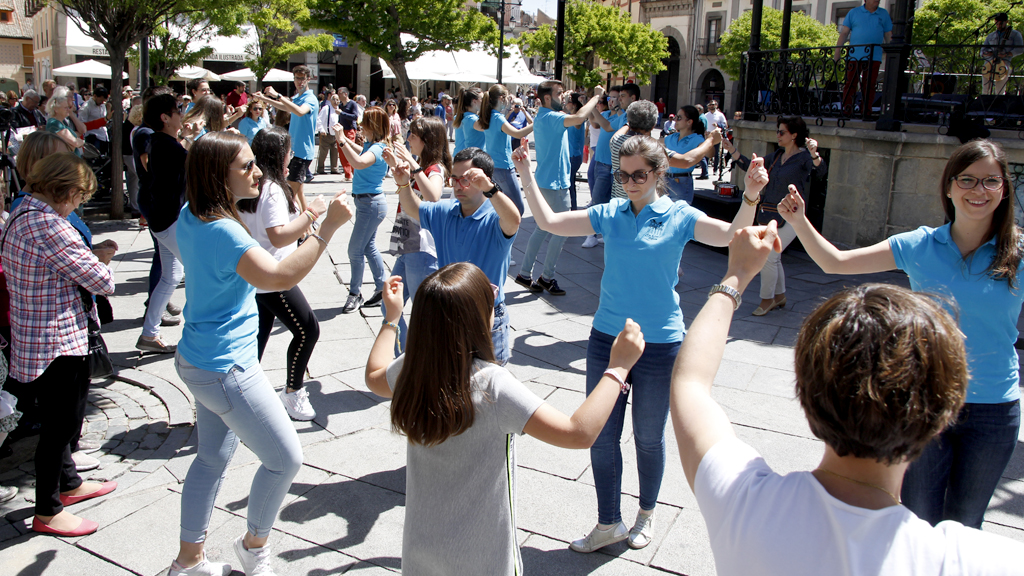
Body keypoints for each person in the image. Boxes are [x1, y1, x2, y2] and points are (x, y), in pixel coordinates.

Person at [668, 220, 1024, 573]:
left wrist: (737, 275)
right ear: (944, 414)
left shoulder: (743, 502)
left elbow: (690, 384)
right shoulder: (969, 561)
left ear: (804, 393)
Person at [511, 135, 767, 553]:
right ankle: (608, 522)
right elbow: (550, 224)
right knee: (601, 435)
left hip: (661, 343)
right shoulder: (611, 213)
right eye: (623, 174)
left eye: (639, 174)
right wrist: (524, 173)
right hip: (607, 340)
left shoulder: (679, 214)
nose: (629, 182)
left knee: (649, 437)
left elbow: (731, 235)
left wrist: (751, 195)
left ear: (658, 173)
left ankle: (646, 513)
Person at [776, 139, 1023, 531]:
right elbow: (834, 262)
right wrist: (800, 220)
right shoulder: (921, 244)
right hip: (926, 400)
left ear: (1004, 188)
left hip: (994, 409)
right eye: (968, 180)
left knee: (966, 523)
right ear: (948, 186)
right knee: (919, 517)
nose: (980, 191)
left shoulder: (1018, 253)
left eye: (991, 181)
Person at [364, 263, 646, 575]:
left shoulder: (414, 367)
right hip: (483, 557)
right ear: (479, 320)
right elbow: (577, 433)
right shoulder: (492, 385)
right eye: (491, 300)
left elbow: (374, 376)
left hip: (421, 549)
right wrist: (618, 367)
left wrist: (391, 319)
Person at [168, 132, 353, 576]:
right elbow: (277, 275)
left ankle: (188, 562)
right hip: (225, 367)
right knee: (286, 458)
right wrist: (324, 227)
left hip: (198, 359)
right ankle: (254, 547)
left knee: (210, 459)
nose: (257, 172)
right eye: (247, 166)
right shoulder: (223, 229)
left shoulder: (190, 216)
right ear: (218, 174)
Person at [3, 153, 118, 537]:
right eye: (79, 196)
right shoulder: (49, 224)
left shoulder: (22, 211)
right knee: (61, 425)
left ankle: (68, 484)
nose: (79, 204)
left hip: (37, 332)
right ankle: (48, 510)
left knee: (62, 419)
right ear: (64, 190)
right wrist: (102, 260)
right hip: (56, 340)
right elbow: (101, 282)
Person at [393, 147, 521, 365]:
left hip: (486, 317)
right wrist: (403, 184)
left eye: (467, 179)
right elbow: (415, 210)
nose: (458, 186)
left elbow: (514, 220)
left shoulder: (495, 216)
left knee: (489, 390)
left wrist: (491, 189)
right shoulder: (446, 210)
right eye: (454, 179)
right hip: (448, 313)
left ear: (484, 179)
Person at [238, 127, 328, 422]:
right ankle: (292, 393)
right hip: (273, 276)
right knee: (308, 330)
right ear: (279, 155)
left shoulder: (251, 185)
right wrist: (312, 214)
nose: (292, 156)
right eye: (289, 151)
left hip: (254, 274)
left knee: (257, 338)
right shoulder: (272, 188)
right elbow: (277, 236)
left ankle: (242, 396)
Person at [724, 115, 825, 315]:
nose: (777, 135)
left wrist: (815, 154)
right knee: (774, 257)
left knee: (769, 256)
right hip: (771, 212)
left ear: (794, 135)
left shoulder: (804, 157)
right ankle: (779, 297)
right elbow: (749, 165)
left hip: (794, 215)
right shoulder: (776, 156)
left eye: (782, 132)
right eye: (777, 131)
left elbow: (820, 172)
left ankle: (767, 299)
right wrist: (731, 149)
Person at [514, 81, 605, 296]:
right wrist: (596, 96)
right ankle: (546, 276)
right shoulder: (552, 117)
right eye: (559, 93)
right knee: (562, 230)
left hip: (549, 181)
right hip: (556, 183)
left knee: (543, 228)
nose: (563, 96)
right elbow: (579, 118)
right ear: (547, 98)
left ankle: (526, 273)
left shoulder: (544, 117)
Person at [380, 116, 451, 352]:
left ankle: (414, 362)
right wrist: (396, 165)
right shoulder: (420, 165)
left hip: (422, 247)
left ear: (428, 140)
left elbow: (433, 196)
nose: (408, 138)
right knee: (389, 304)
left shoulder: (434, 168)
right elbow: (409, 193)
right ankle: (406, 357)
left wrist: (411, 163)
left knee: (423, 312)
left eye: (413, 134)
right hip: (408, 240)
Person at [136, 93, 195, 355]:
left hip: (163, 219)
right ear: (165, 117)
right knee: (199, 272)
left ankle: (149, 334)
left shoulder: (162, 142)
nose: (181, 115)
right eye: (178, 111)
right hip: (168, 220)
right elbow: (195, 163)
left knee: (171, 276)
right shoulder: (164, 145)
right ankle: (198, 335)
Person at [334, 107, 391, 313]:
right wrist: (344, 140)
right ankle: (381, 288)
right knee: (368, 247)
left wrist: (341, 140)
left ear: (372, 126)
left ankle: (355, 293)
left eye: (364, 123)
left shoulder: (376, 149)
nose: (360, 126)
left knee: (354, 250)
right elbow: (360, 153)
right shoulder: (373, 145)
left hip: (370, 205)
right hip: (368, 203)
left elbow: (358, 162)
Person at [252, 65, 316, 211]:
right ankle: (308, 225)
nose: (300, 81)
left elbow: (299, 111)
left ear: (308, 79)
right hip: (294, 151)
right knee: (298, 193)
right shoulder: (298, 98)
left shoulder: (310, 99)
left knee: (290, 193)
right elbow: (286, 107)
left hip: (302, 152)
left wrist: (278, 95)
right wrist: (264, 98)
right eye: (297, 78)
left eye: (302, 78)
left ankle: (300, 227)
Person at [474, 84, 534, 215]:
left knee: (500, 206)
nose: (509, 102)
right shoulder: (497, 117)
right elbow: (518, 134)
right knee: (518, 209)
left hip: (493, 166)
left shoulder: (489, 116)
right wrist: (538, 123)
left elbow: (477, 126)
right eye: (508, 98)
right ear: (501, 98)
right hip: (504, 167)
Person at [581, 85, 626, 247]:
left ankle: (592, 234)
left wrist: (594, 103)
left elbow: (605, 125)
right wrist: (591, 104)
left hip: (610, 165)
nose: (613, 100)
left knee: (598, 200)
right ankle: (602, 233)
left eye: (617, 97)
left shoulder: (623, 116)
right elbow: (594, 123)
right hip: (598, 161)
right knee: (599, 198)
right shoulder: (607, 114)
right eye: (610, 98)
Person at [834, 0, 892, 120]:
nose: (877, 0)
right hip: (855, 55)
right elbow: (844, 33)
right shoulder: (854, 12)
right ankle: (847, 110)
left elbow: (888, 35)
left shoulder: (883, 14)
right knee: (850, 83)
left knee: (869, 84)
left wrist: (892, 54)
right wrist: (837, 52)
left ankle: (866, 111)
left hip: (874, 56)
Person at [663, 106, 706, 204]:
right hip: (665, 179)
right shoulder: (672, 137)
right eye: (675, 117)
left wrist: (710, 140)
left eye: (679, 118)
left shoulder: (697, 138)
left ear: (689, 122)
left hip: (681, 181)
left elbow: (710, 153)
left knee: (678, 213)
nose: (675, 120)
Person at [981, 13, 1024, 95]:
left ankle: (998, 106)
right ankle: (984, 106)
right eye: (997, 23)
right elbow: (983, 49)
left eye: (1001, 23)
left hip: (1004, 64)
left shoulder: (1015, 34)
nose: (999, 25)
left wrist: (1007, 54)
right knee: (985, 89)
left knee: (999, 90)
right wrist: (985, 53)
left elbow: (1020, 49)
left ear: (1006, 22)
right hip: (989, 64)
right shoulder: (991, 35)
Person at [45, 87, 86, 155]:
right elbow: (75, 142)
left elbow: (80, 133)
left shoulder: (62, 122)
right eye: (65, 108)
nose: (68, 110)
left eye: (68, 107)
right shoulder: (54, 123)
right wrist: (81, 142)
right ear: (55, 109)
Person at [332, 87, 359, 181]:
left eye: (340, 93)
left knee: (349, 151)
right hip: (341, 130)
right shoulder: (340, 105)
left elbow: (355, 116)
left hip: (350, 130)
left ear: (345, 94)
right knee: (342, 152)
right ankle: (348, 174)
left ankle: (353, 172)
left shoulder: (352, 104)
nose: (338, 95)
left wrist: (342, 113)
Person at [565, 93, 587, 210]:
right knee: (570, 182)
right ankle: (572, 208)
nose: (565, 103)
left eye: (567, 101)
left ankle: (572, 209)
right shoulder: (568, 116)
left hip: (574, 156)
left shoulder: (578, 118)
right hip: (569, 155)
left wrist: (583, 103)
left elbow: (578, 123)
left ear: (573, 105)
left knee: (569, 183)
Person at [78, 86, 112, 155]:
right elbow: (82, 125)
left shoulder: (102, 105)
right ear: (95, 96)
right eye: (100, 100)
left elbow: (105, 119)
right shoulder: (86, 107)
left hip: (103, 135)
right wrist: (101, 122)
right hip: (93, 136)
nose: (102, 103)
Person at [453, 87, 484, 155]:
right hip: (468, 156)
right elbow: (487, 127)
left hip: (462, 153)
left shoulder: (464, 116)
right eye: (482, 99)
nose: (484, 101)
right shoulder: (471, 118)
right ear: (474, 101)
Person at [315, 93, 340, 174]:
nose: (336, 101)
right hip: (326, 134)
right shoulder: (326, 108)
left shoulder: (339, 110)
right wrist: (321, 130)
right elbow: (319, 120)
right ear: (330, 100)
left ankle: (334, 168)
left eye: (337, 99)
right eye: (334, 99)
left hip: (336, 135)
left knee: (335, 152)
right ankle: (320, 168)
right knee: (323, 153)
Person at [705, 100, 727, 176]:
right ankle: (705, 170)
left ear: (716, 105)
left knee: (717, 153)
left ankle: (715, 169)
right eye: (710, 105)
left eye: (713, 104)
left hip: (717, 134)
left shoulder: (720, 115)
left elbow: (724, 125)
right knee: (707, 152)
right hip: (708, 134)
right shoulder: (706, 115)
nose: (711, 106)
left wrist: (718, 124)